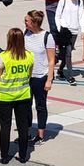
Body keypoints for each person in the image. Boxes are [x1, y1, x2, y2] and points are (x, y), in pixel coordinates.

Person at [0, 28, 34, 164]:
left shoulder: (3, 57)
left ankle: (4, 157)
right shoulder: (29, 56)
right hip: (23, 95)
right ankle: (23, 156)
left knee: (5, 126)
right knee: (23, 126)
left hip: (5, 96)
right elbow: (29, 75)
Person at [24, 10, 55, 145]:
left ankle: (40, 134)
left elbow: (51, 60)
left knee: (40, 106)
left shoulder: (47, 37)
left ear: (34, 23)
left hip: (40, 76)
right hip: (26, 76)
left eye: (27, 20)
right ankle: (27, 132)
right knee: (25, 105)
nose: (24, 22)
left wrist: (49, 79)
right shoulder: (25, 33)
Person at [55, 0, 84, 85]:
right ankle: (71, 76)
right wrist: (60, 28)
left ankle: (60, 69)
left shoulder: (79, 2)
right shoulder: (63, 1)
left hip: (74, 30)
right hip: (65, 31)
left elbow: (81, 16)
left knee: (66, 52)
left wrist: (82, 30)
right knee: (68, 53)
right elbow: (57, 16)